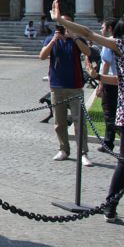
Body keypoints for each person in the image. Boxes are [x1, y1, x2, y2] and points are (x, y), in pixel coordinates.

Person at [59, 1, 124, 223]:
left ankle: (110, 206)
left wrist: (61, 21)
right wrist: (98, 78)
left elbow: (88, 33)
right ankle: (110, 206)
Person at [39, 17, 92, 165]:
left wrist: (74, 37)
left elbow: (87, 52)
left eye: (66, 24)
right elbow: (42, 56)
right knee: (59, 122)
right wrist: (53, 40)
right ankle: (63, 149)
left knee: (79, 121)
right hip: (57, 86)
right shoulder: (51, 38)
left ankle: (83, 152)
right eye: (60, 24)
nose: (63, 27)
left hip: (75, 86)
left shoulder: (77, 39)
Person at [95, 17, 120, 152]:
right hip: (120, 82)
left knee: (109, 113)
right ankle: (110, 141)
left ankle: (110, 142)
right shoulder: (123, 42)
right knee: (117, 111)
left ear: (110, 28)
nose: (101, 30)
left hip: (109, 81)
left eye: (103, 27)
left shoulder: (108, 43)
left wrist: (100, 84)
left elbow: (105, 64)